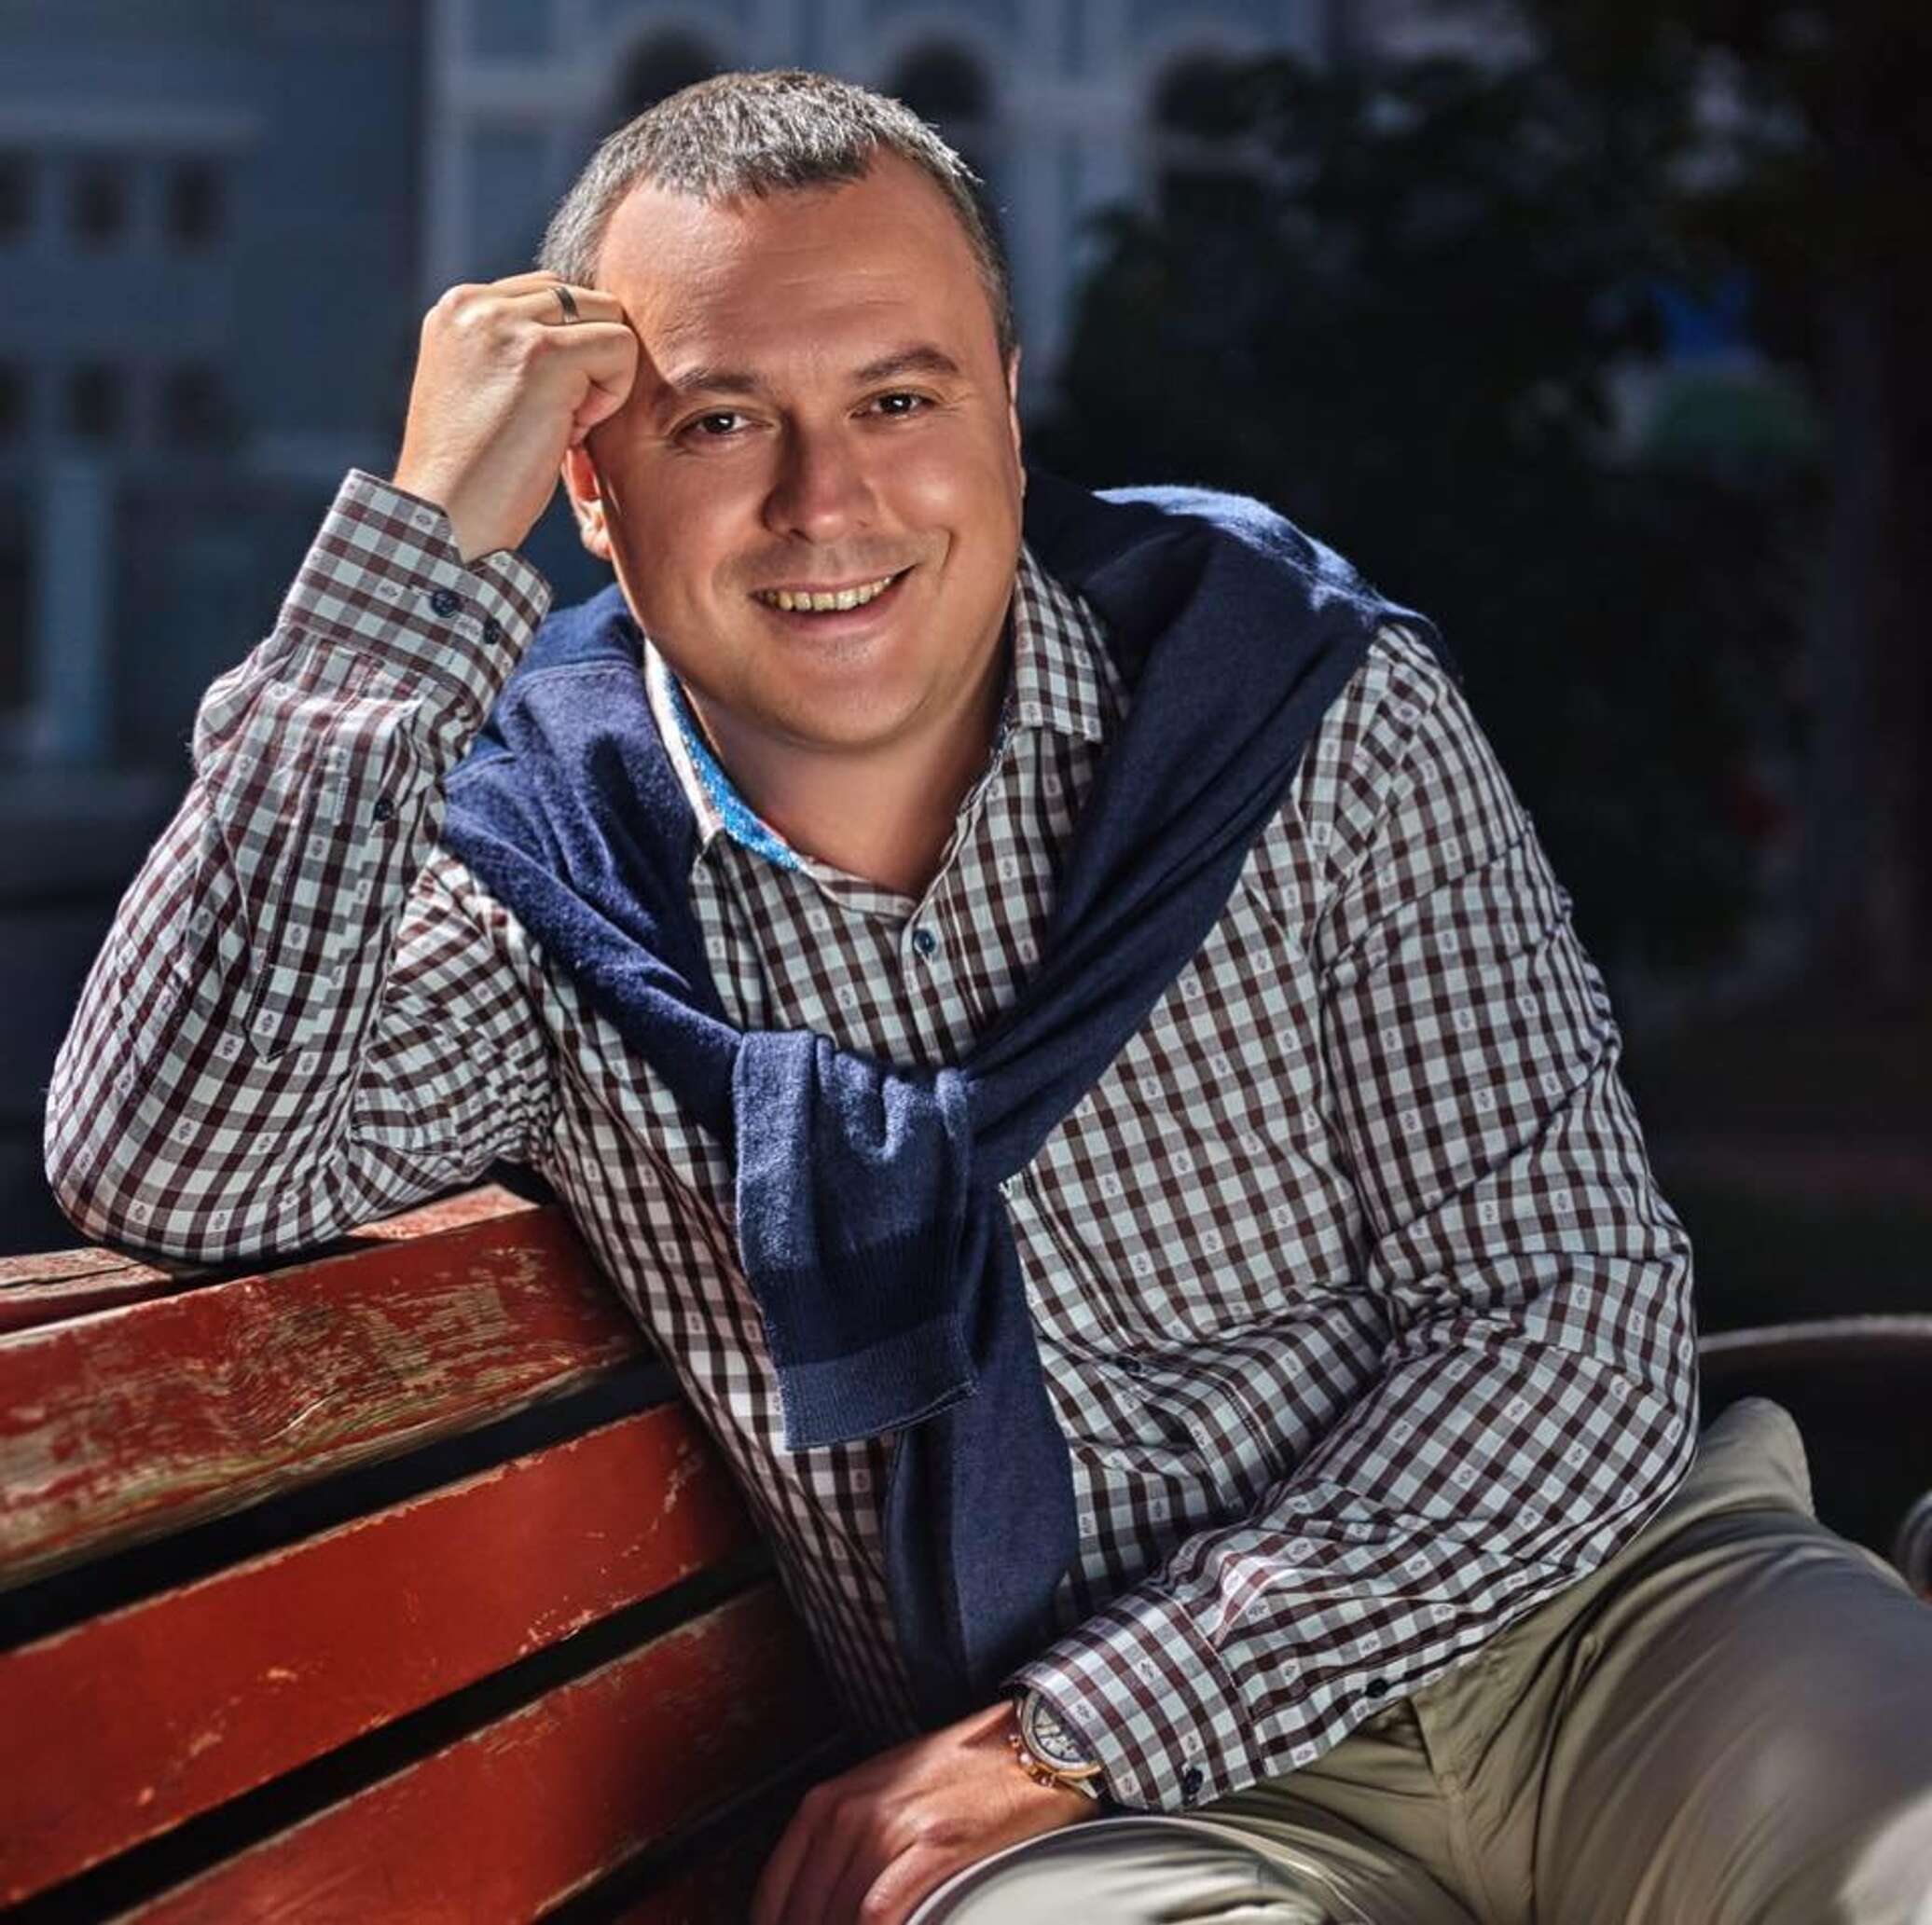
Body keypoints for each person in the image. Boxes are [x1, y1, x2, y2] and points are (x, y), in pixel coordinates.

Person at [45, 68, 1932, 1925]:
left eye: (897, 398)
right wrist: (420, 549)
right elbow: (176, 1159)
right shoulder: (551, 884)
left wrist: (1075, 1732)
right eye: (720, 422)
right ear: (591, 492)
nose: (825, 501)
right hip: (1141, 1831)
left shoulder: (1293, 700)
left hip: (1593, 1629)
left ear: (1006, 417)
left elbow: (1566, 1314)